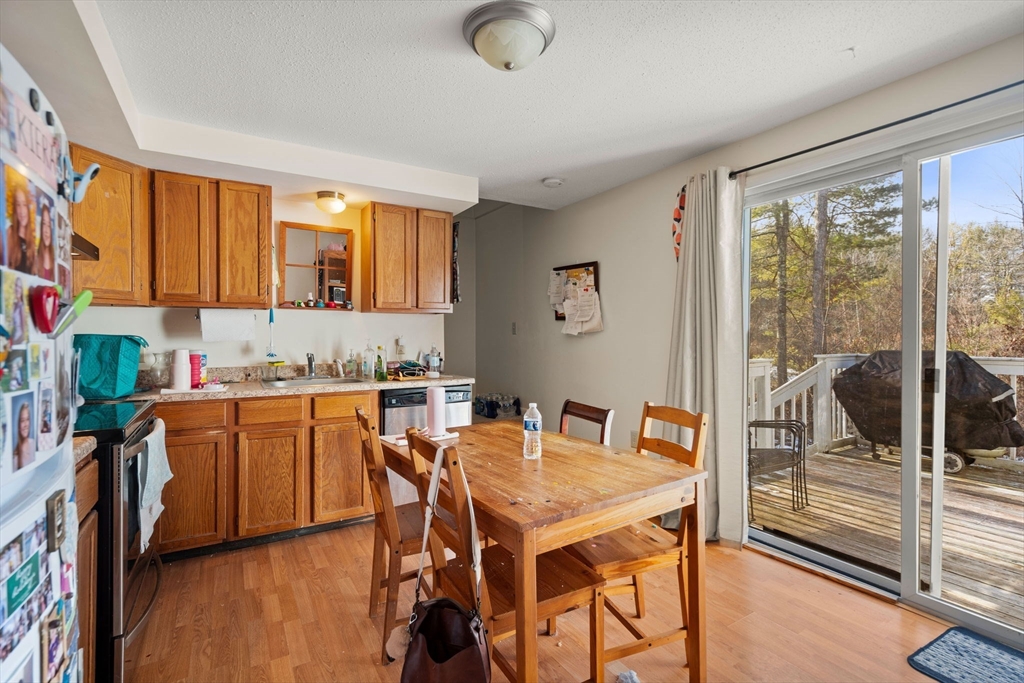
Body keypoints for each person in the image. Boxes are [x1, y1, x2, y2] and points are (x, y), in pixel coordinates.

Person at [6, 182, 35, 274]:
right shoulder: (10, 233)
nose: (22, 211)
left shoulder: (32, 240)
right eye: (18, 205)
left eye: (24, 205)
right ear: (15, 208)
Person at [35, 202, 55, 280]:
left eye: (49, 225)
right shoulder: (35, 259)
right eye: (44, 224)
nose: (46, 231)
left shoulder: (55, 262)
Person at [14, 401, 35, 471]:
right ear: (18, 425)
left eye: (27, 419)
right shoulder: (15, 456)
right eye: (22, 420)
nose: (26, 424)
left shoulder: (34, 444)